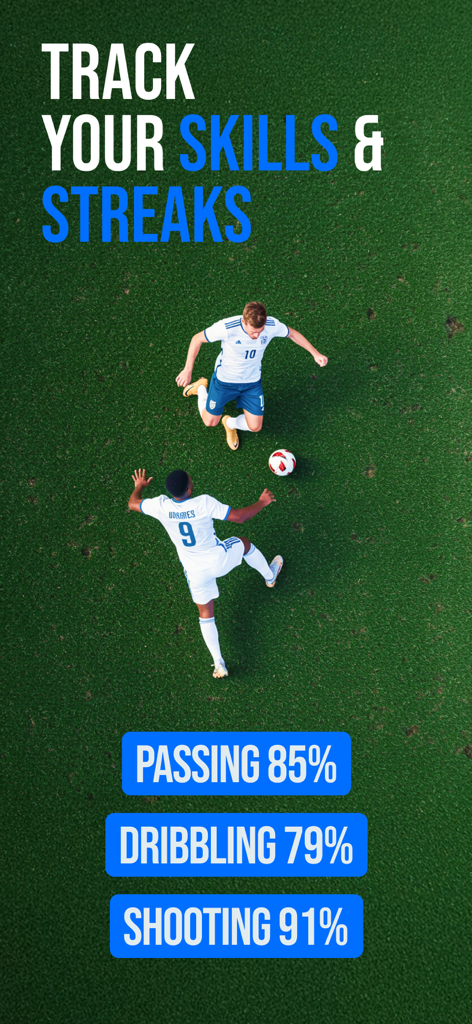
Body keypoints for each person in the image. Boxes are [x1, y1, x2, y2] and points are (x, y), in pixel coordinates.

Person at [128, 467, 283, 678]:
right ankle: (270, 577)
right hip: (218, 559)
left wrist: (139, 487)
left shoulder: (160, 505)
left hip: (194, 572)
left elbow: (133, 503)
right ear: (190, 488)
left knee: (206, 614)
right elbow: (239, 517)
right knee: (244, 544)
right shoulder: (204, 503)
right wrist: (262, 502)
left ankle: (218, 664)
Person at [175, 301, 328, 450]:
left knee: (255, 426)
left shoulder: (271, 325)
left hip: (251, 383)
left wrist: (315, 353)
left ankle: (229, 424)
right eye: (252, 331)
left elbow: (292, 334)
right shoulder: (227, 328)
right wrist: (187, 370)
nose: (256, 335)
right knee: (210, 422)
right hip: (225, 381)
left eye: (260, 331)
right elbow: (197, 339)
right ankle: (201, 388)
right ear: (243, 321)